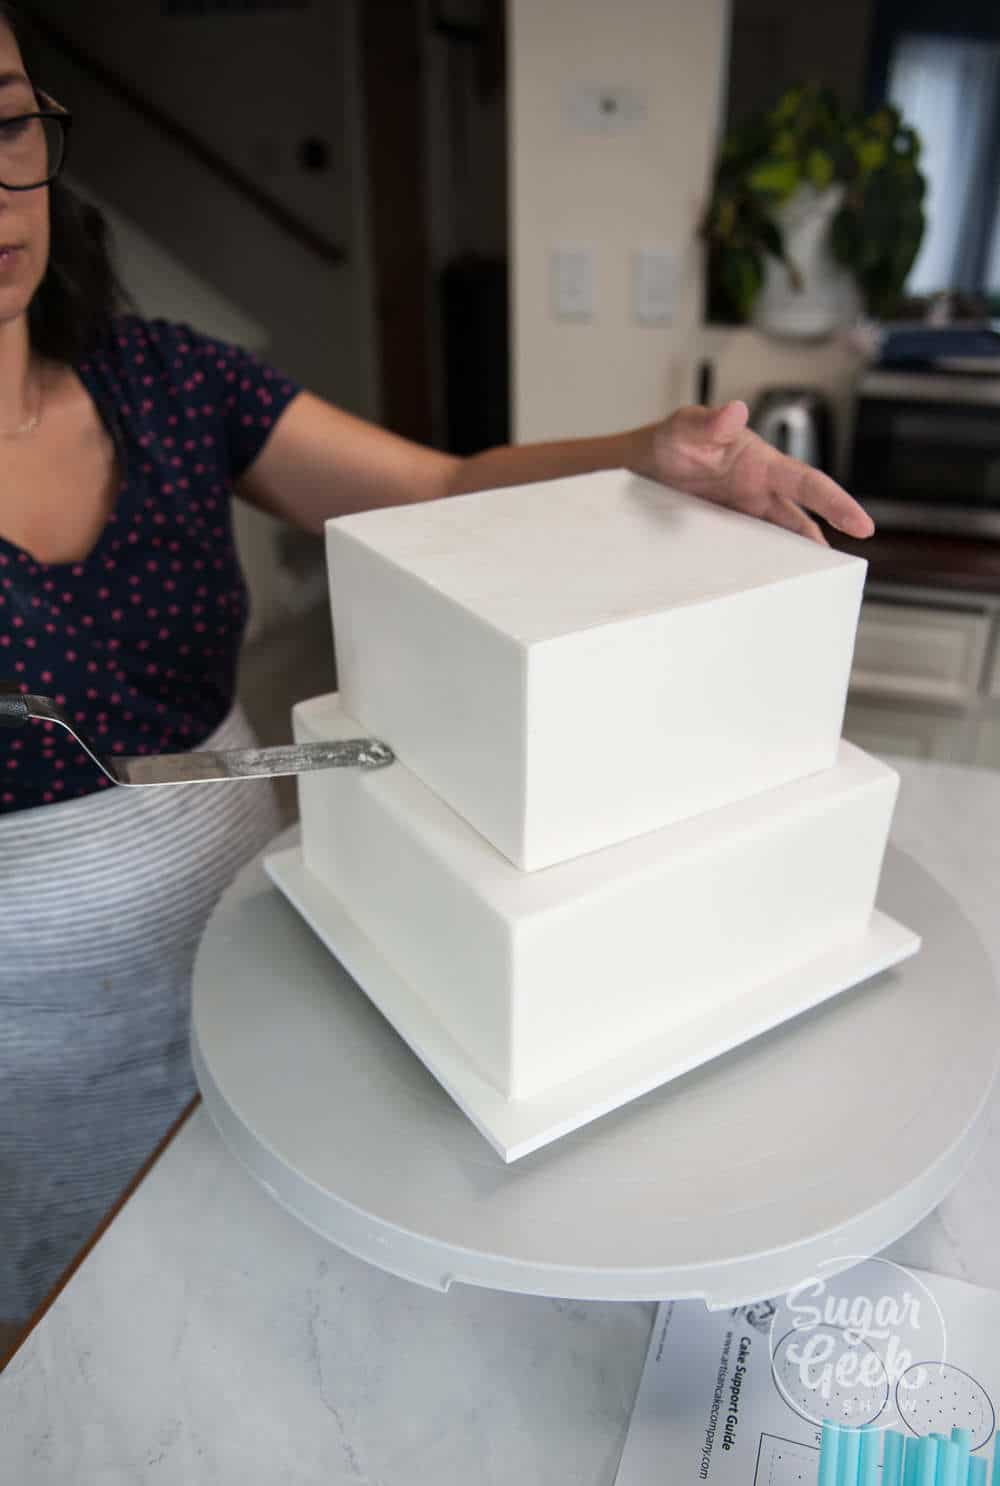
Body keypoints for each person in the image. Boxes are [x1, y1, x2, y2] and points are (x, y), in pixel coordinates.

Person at [0, 7, 874, 1329]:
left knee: (281, 1291)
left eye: (6, 122)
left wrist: (649, 450)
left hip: (270, 942)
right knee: (97, 1330)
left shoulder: (170, 380)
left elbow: (448, 486)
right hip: (32, 1053)